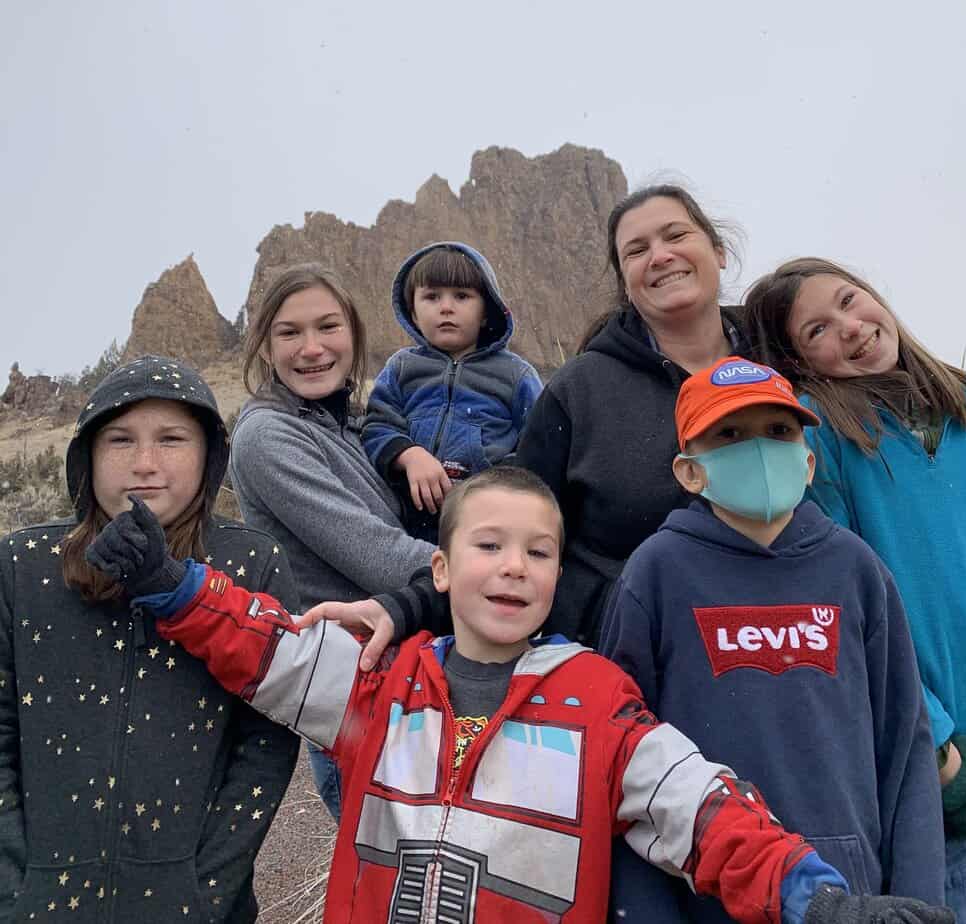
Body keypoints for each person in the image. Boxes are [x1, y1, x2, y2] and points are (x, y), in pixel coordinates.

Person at [85, 468, 954, 924]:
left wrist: (818, 900)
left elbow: (707, 813)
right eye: (489, 544)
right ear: (440, 567)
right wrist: (172, 585)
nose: (513, 566)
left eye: (538, 553)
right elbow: (265, 647)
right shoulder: (377, 686)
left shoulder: (598, 698)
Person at [600, 356, 945, 923]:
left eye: (778, 431)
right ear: (689, 471)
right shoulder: (656, 572)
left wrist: (919, 897)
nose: (758, 449)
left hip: (854, 902)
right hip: (702, 898)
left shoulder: (857, 569)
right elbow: (625, 756)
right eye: (730, 434)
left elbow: (904, 744)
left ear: (807, 461)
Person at [741, 258, 966, 924]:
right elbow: (840, 610)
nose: (852, 328)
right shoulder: (820, 442)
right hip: (914, 762)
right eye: (818, 330)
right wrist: (942, 750)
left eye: (850, 300)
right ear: (798, 362)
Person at [0, 355, 299, 923]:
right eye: (119, 439)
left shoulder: (251, 563)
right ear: (87, 454)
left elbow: (267, 741)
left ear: (208, 456)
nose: (144, 463)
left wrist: (206, 893)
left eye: (171, 439)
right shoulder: (22, 565)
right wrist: (14, 891)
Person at [230, 263, 439, 820]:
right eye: (289, 332)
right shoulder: (268, 436)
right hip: (358, 693)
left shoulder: (352, 421)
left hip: (415, 673)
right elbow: (379, 555)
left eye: (328, 327)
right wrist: (497, 570)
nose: (312, 348)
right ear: (264, 345)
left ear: (353, 332)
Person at [516, 183, 750, 646]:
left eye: (676, 235)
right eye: (637, 250)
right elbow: (511, 525)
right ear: (625, 283)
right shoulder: (580, 390)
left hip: (783, 651)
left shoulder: (781, 361)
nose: (660, 256)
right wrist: (407, 606)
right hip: (628, 663)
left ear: (718, 251)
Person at [362, 242, 542, 541]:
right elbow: (377, 425)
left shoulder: (515, 375)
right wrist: (409, 455)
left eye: (462, 296)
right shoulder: (402, 368)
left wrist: (494, 484)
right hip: (408, 521)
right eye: (431, 297)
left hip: (490, 519)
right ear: (414, 313)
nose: (446, 307)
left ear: (487, 311)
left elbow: (537, 443)